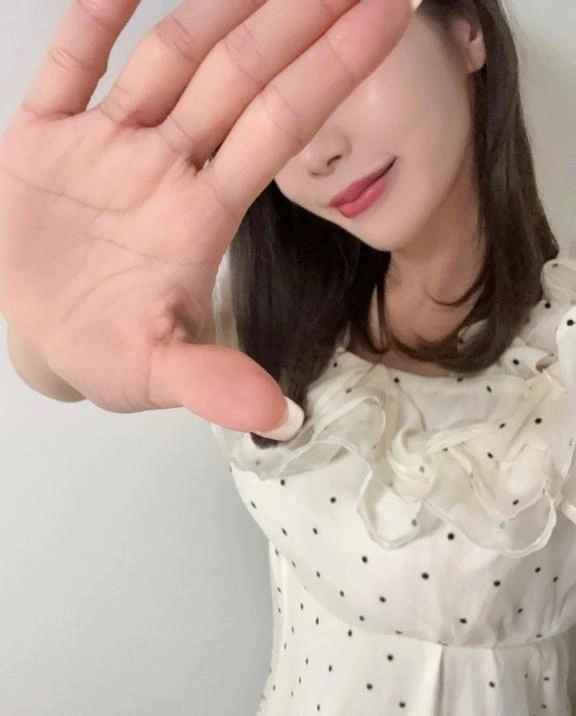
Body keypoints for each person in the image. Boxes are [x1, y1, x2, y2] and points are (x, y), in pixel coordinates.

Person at [0, 0, 574, 713]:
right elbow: (61, 370)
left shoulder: (561, 359)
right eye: (271, 105)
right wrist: (44, 315)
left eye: (341, 65)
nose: (314, 152)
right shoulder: (274, 314)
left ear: (467, 33)